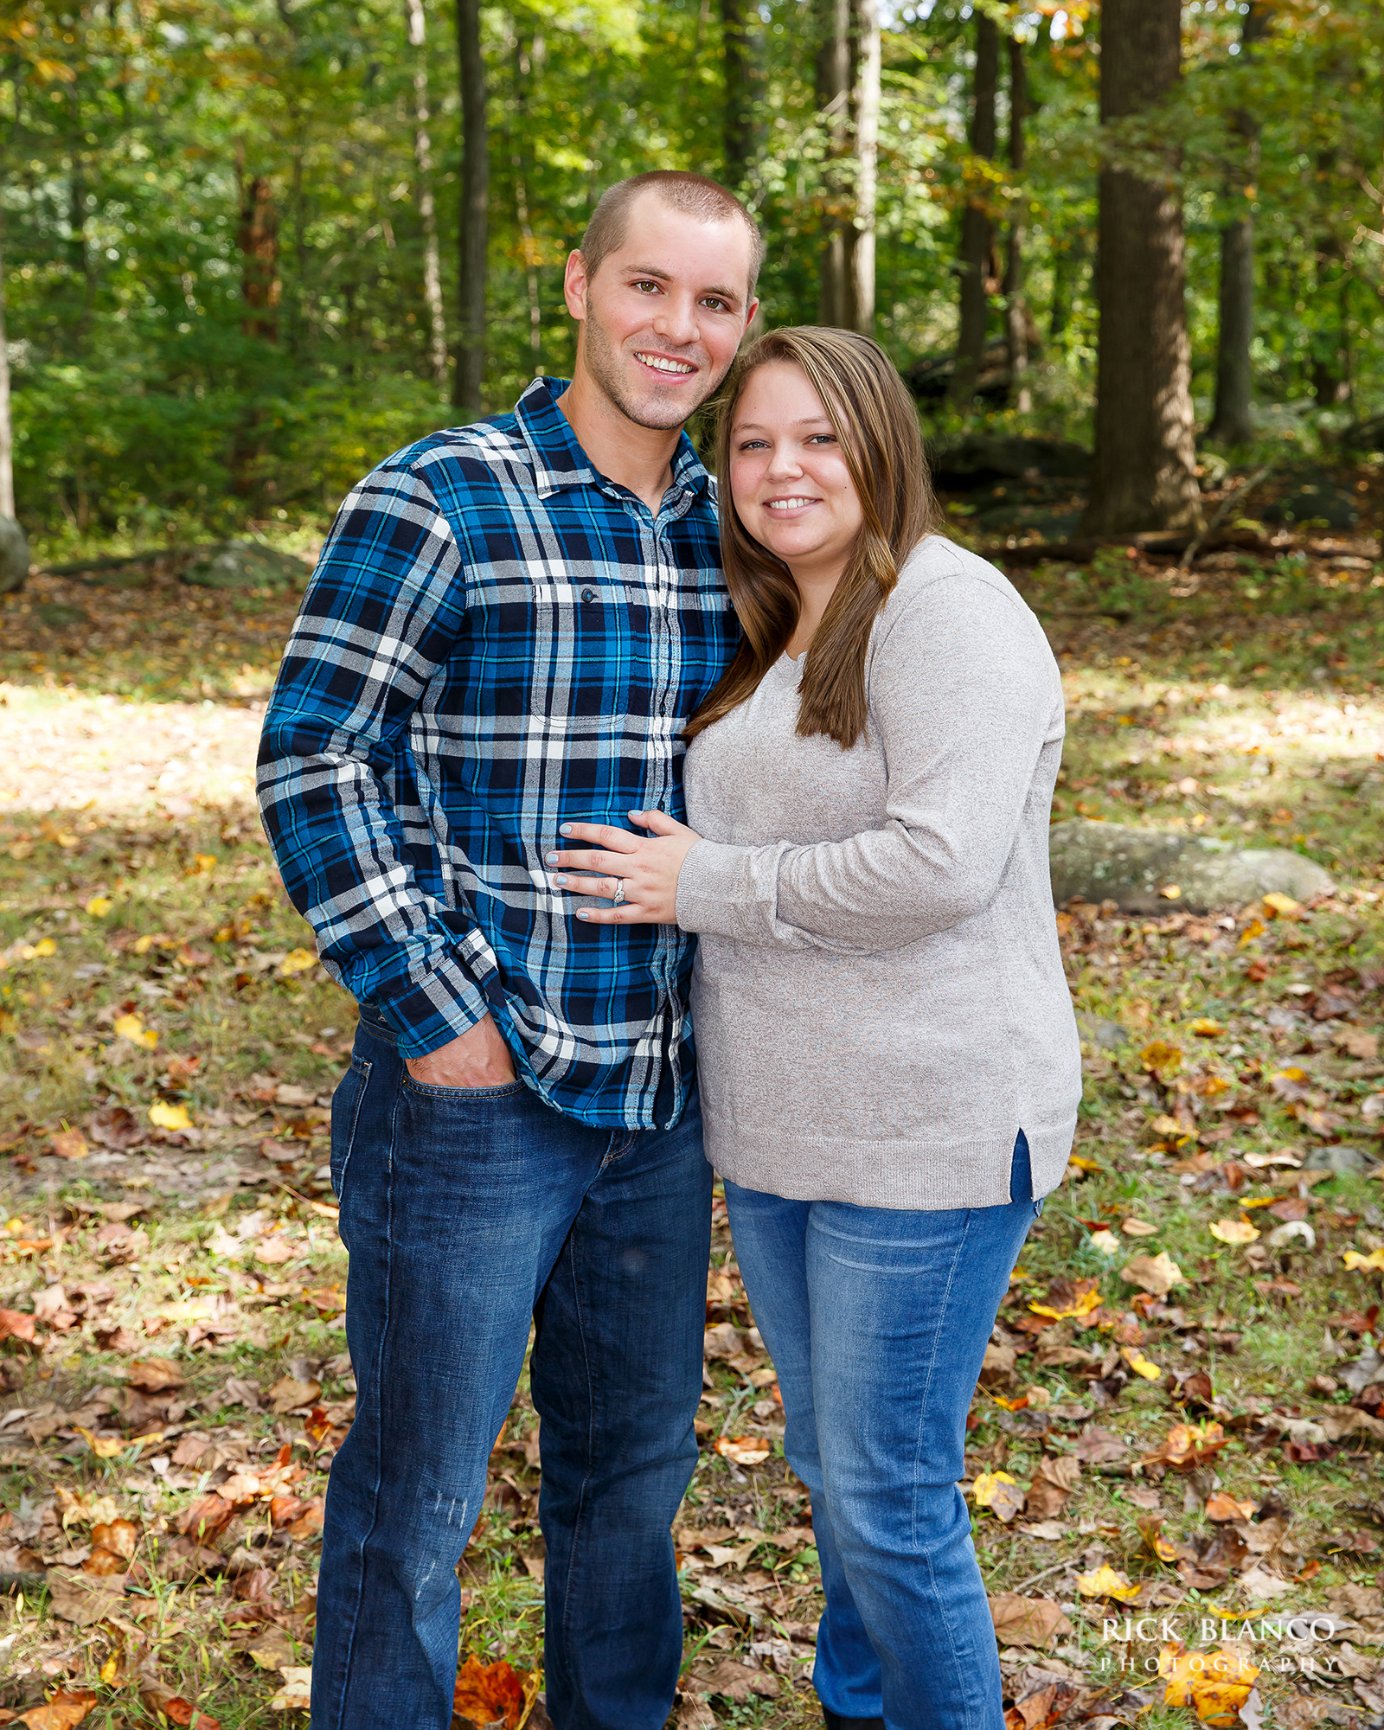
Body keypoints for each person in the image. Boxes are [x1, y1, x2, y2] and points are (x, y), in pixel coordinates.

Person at [256, 171, 761, 1730]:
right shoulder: (447, 493)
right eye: (650, 288)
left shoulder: (740, 531)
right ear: (580, 285)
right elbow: (317, 752)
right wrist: (430, 1013)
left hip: (661, 1095)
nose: (679, 328)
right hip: (475, 1094)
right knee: (419, 1489)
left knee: (630, 1479)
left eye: (717, 302)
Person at [547, 326, 1083, 1730]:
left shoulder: (948, 613)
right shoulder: (787, 618)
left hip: (930, 1123)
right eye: (752, 443)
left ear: (881, 443)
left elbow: (940, 862)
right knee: (840, 1470)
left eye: (817, 438)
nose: (783, 469)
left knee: (890, 1493)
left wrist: (704, 882)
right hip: (783, 1126)